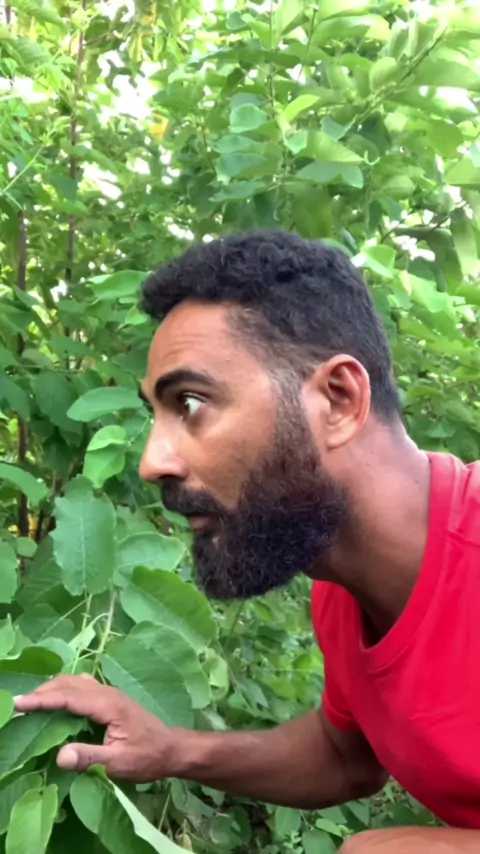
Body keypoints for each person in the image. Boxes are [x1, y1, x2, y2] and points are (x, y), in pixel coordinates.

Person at [15, 230, 480, 851]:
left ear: (339, 401)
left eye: (190, 403)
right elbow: (346, 757)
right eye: (157, 413)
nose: (152, 462)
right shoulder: (341, 585)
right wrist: (172, 750)